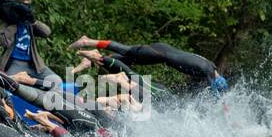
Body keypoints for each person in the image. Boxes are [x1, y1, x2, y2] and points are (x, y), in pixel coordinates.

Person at [69, 36, 227, 92]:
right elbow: (216, 97)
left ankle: (93, 59)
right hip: (159, 54)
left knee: (129, 59)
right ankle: (88, 42)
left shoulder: (210, 64)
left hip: (162, 50)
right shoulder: (207, 72)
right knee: (127, 51)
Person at [0, 0, 56, 82]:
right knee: (9, 83)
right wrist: (14, 23)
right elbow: (5, 43)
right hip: (14, 62)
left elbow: (46, 32)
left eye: (28, 6)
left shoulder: (29, 23)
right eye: (24, 6)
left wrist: (33, 21)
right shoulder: (7, 23)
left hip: (33, 64)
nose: (26, 9)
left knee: (56, 80)